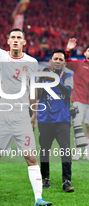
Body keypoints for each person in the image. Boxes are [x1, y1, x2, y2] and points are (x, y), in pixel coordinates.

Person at [0, 0, 52, 206]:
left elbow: (33, 89)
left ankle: (38, 199)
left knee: (31, 158)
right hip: (0, 115)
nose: (17, 40)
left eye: (20, 37)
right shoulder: (0, 55)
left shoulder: (31, 62)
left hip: (21, 116)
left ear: (24, 42)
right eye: (13, 38)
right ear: (8, 41)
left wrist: (34, 115)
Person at [38, 50, 74, 192]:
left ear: (64, 63)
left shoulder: (67, 75)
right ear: (50, 61)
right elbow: (37, 94)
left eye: (61, 59)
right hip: (45, 119)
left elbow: (68, 91)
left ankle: (66, 181)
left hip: (62, 120)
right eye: (55, 58)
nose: (58, 61)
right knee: (44, 150)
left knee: (65, 150)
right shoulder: (42, 75)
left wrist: (54, 79)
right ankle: (45, 179)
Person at [65, 39, 89, 160]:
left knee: (88, 126)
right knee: (77, 125)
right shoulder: (79, 64)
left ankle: (87, 152)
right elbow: (66, 61)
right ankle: (77, 151)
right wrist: (68, 50)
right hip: (78, 100)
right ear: (85, 53)